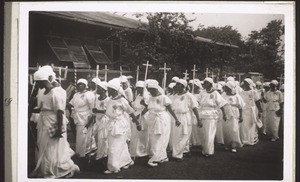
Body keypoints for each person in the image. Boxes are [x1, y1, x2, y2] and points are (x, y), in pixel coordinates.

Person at [30, 69, 79, 178]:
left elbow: (60, 112)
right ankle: (44, 169)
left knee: (52, 148)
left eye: (38, 82)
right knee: (43, 146)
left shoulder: (55, 93)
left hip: (53, 122)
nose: (37, 85)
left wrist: (59, 128)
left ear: (43, 81)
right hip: (44, 121)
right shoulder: (43, 92)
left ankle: (57, 170)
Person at [104, 78, 140, 174]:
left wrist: (137, 123)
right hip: (111, 124)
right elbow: (108, 111)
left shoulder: (122, 100)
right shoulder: (109, 100)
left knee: (113, 147)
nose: (108, 91)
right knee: (120, 145)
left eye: (109, 89)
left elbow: (130, 112)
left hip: (120, 125)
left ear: (115, 90)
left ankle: (113, 167)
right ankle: (126, 161)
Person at [141, 79, 180, 167]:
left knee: (160, 138)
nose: (150, 91)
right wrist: (143, 107)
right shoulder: (150, 98)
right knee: (153, 138)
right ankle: (162, 156)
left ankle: (155, 158)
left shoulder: (164, 97)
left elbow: (170, 109)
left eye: (152, 90)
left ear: (156, 89)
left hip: (162, 120)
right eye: (149, 90)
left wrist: (176, 119)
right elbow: (148, 108)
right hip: (152, 120)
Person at [170, 79, 202, 161]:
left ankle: (177, 155)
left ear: (183, 86)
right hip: (176, 117)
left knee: (184, 135)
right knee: (177, 136)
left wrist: (199, 119)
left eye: (179, 84)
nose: (176, 86)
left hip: (185, 117)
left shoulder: (189, 96)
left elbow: (194, 108)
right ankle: (185, 151)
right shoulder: (175, 96)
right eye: (176, 84)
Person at [197, 77, 227, 157]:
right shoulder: (202, 93)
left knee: (210, 133)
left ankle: (209, 151)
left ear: (210, 84)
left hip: (211, 115)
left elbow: (221, 104)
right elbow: (197, 102)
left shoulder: (215, 93)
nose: (205, 84)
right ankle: (204, 149)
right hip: (202, 114)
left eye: (207, 83)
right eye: (204, 83)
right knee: (203, 133)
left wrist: (224, 114)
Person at [69, 79, 95, 157]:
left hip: (85, 117)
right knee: (79, 135)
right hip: (77, 116)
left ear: (85, 85)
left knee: (83, 135)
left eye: (81, 84)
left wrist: (90, 120)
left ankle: (82, 153)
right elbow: (71, 104)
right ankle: (80, 152)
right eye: (78, 84)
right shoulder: (76, 94)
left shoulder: (89, 94)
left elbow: (92, 108)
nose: (79, 86)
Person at [87, 81, 110, 161]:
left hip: (104, 120)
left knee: (102, 138)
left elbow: (108, 112)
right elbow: (94, 110)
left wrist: (98, 111)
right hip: (97, 119)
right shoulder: (96, 98)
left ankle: (102, 155)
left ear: (103, 90)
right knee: (90, 135)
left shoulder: (108, 100)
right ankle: (97, 150)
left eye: (99, 88)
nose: (97, 90)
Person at [222, 81, 245, 153]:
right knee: (226, 129)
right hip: (226, 112)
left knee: (234, 129)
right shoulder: (223, 95)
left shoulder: (237, 96)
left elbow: (240, 107)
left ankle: (234, 145)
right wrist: (223, 114)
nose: (225, 89)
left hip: (234, 113)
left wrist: (241, 116)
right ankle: (227, 144)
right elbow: (221, 105)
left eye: (226, 87)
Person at [240, 78, 263, 146]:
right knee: (244, 125)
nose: (244, 84)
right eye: (244, 82)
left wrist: (260, 110)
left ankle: (250, 139)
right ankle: (244, 140)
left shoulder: (253, 92)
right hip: (244, 110)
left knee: (251, 125)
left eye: (245, 83)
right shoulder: (242, 92)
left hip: (251, 110)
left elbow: (257, 101)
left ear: (249, 84)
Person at [129, 81, 150, 158]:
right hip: (137, 115)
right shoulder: (138, 96)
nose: (139, 90)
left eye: (140, 88)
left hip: (143, 116)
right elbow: (134, 106)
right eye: (137, 88)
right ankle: (135, 151)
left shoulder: (147, 96)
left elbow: (147, 108)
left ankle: (143, 151)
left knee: (142, 134)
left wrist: (138, 116)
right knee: (135, 134)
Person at [189, 79, 204, 147]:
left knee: (197, 126)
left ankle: (199, 141)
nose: (192, 87)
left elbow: (202, 103)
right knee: (191, 126)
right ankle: (191, 141)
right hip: (190, 112)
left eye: (194, 86)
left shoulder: (201, 94)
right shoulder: (190, 94)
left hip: (198, 111)